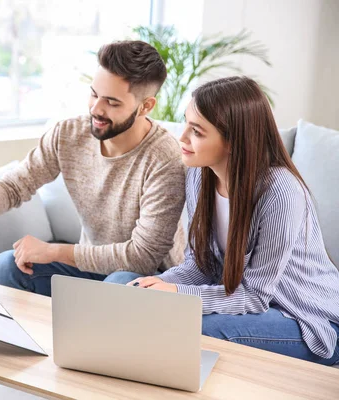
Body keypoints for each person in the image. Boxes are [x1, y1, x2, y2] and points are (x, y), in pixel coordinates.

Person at [0, 40, 186, 297]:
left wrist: (54, 252)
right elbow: (15, 184)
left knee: (118, 285)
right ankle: (21, 344)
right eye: (94, 94)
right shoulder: (69, 134)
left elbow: (142, 256)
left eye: (112, 103)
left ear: (145, 106)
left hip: (147, 278)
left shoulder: (164, 158)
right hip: (89, 266)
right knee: (7, 266)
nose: (96, 108)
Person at [126, 76, 339, 366]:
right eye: (185, 123)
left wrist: (175, 292)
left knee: (198, 330)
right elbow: (199, 267)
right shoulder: (199, 175)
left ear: (232, 141)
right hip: (238, 302)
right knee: (120, 286)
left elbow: (254, 295)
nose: (183, 137)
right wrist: (157, 286)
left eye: (197, 131)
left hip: (306, 317)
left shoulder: (281, 192)